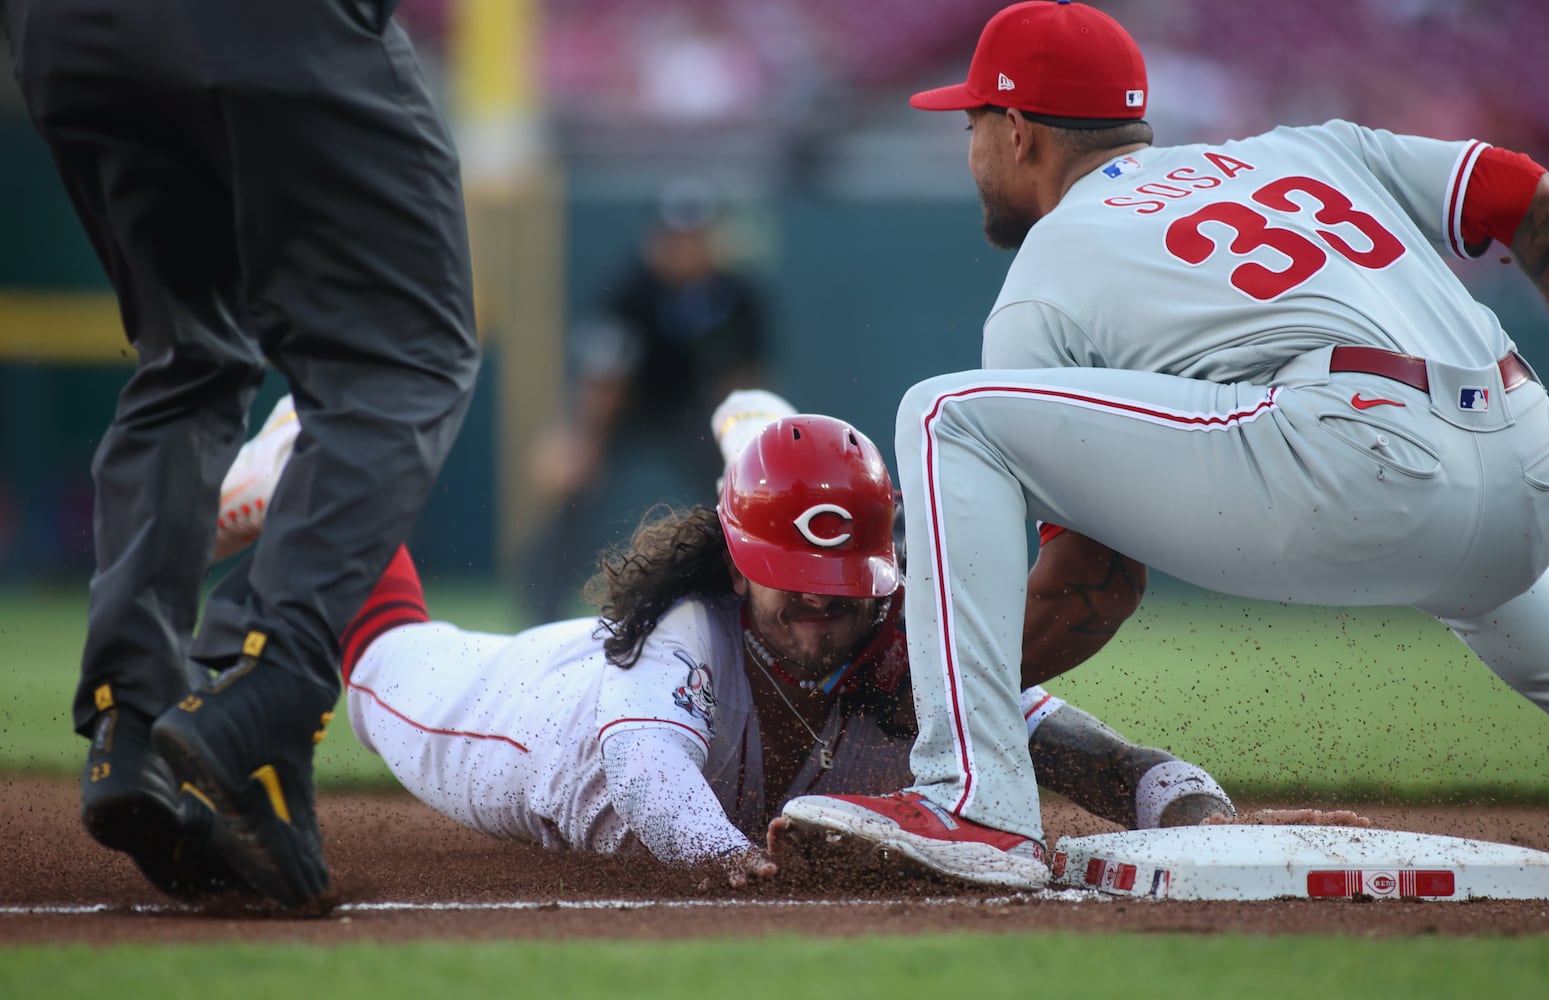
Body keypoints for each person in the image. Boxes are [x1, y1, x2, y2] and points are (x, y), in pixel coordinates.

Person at [780, 0, 1549, 891]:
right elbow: (1528, 194)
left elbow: (1096, 585)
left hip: (1363, 459)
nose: (970, 147)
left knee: (947, 413)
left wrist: (907, 692)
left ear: (1018, 132)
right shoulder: (1304, 149)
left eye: (974, 122)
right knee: (1457, 525)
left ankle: (974, 804)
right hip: (1536, 462)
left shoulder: (1047, 273)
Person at [206, 391, 1235, 889]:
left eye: (839, 588)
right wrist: (731, 860)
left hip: (677, 652)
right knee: (385, 644)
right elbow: (652, 776)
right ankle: (299, 471)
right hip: (524, 713)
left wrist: (1186, 801)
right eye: (790, 585)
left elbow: (1085, 755)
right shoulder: (686, 630)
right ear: (742, 569)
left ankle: (760, 438)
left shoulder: (895, 643)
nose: (818, 609)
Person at [3, 0, 481, 909]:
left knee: (190, 358)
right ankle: (269, 683)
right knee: (403, 357)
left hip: (60, 31)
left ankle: (131, 718)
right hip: (264, 24)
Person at [521, 178, 771, 623]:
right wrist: (581, 441)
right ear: (657, 239)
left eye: (696, 238)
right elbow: (603, 380)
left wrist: (743, 450)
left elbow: (742, 382)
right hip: (627, 404)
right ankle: (543, 606)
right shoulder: (630, 290)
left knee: (742, 487)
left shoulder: (736, 294)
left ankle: (755, 591)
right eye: (676, 238)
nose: (686, 249)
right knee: (575, 490)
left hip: (696, 407)